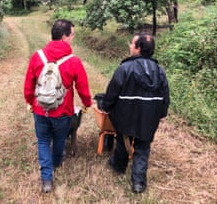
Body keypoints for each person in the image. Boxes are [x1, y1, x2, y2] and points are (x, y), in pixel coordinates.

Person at [24, 19, 92, 193]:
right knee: (60, 139)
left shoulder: (37, 56)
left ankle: (46, 178)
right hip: (63, 112)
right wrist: (87, 103)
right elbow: (83, 88)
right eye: (72, 34)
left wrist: (29, 102)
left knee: (44, 141)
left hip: (40, 110)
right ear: (64, 37)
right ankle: (56, 162)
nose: (73, 37)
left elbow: (29, 85)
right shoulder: (74, 61)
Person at [98, 32, 170, 193]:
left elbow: (112, 92)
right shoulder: (160, 71)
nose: (130, 46)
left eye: (132, 44)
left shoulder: (124, 68)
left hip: (125, 116)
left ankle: (118, 166)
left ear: (138, 49)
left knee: (123, 141)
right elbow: (165, 96)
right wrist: (162, 113)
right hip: (150, 117)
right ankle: (138, 183)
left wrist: (105, 106)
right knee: (143, 147)